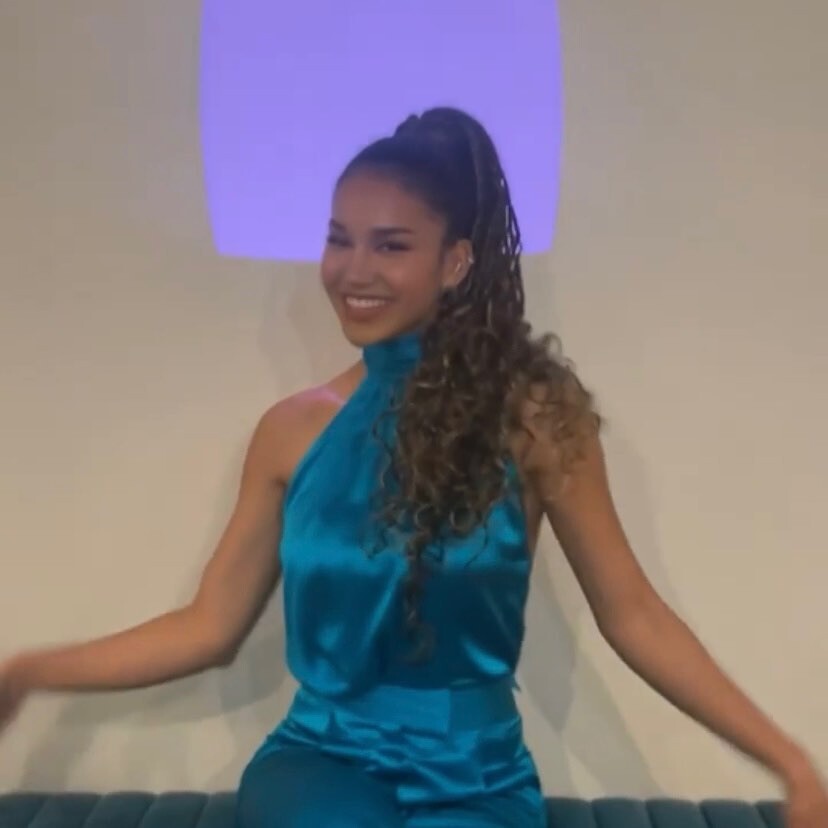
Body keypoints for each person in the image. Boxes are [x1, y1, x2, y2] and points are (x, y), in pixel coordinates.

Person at [0, 107, 826, 828]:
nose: (353, 270)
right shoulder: (290, 432)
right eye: (339, 238)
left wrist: (788, 762)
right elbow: (207, 629)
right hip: (320, 764)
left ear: (455, 261)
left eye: (390, 246)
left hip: (479, 780)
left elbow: (634, 615)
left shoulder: (536, 420)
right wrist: (33, 672)